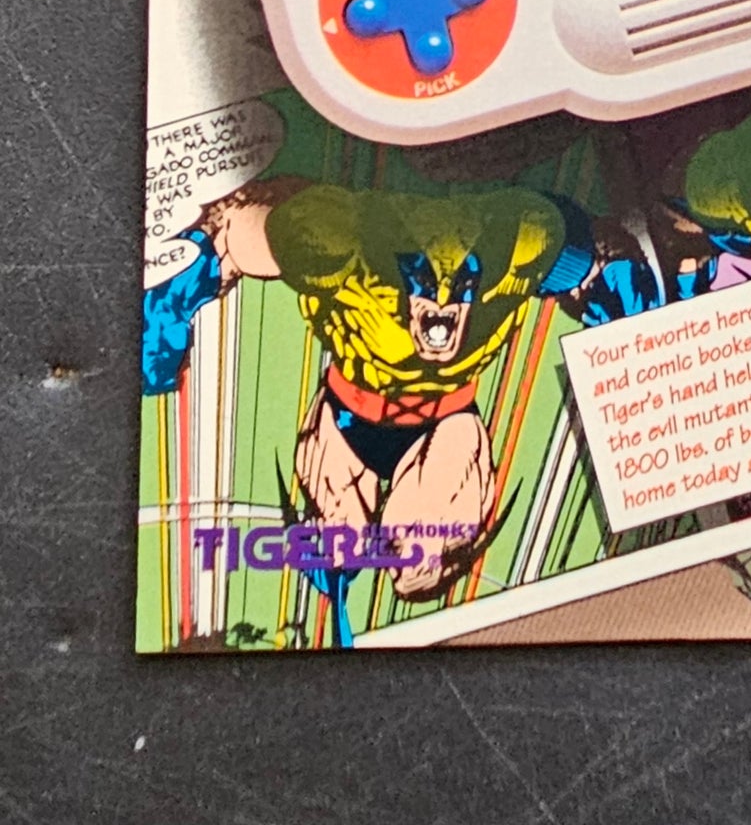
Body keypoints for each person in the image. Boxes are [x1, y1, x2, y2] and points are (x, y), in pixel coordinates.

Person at [141, 178, 646, 644]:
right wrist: (174, 303)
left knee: (416, 565)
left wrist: (635, 314)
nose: (441, 310)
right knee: (345, 548)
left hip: (442, 421)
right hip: (353, 410)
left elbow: (593, 263)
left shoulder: (523, 243)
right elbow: (233, 235)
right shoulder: (334, 244)